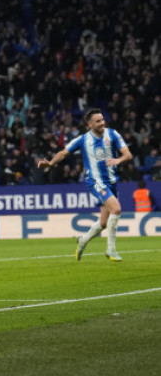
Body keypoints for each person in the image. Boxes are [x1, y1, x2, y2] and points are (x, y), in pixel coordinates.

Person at [38, 108, 132, 262]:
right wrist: (50, 164)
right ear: (90, 125)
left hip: (112, 182)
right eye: (98, 121)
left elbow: (127, 154)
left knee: (103, 222)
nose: (102, 123)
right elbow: (63, 153)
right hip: (95, 182)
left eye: (102, 120)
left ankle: (83, 240)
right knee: (116, 209)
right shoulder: (82, 140)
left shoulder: (113, 134)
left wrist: (118, 160)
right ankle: (111, 249)